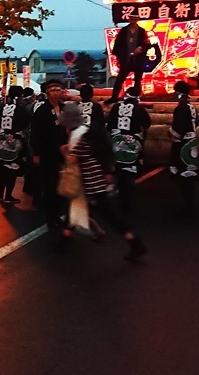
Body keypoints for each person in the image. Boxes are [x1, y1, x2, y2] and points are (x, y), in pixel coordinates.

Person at [63, 102, 147, 260]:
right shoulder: (97, 139)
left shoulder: (82, 141)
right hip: (98, 180)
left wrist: (65, 151)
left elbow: (73, 160)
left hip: (88, 182)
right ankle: (65, 238)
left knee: (100, 212)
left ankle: (134, 241)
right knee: (88, 210)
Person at [30, 80, 70, 238]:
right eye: (52, 90)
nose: (55, 92)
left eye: (58, 90)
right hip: (47, 153)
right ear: (47, 93)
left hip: (63, 153)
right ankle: (50, 218)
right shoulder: (42, 111)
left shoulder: (66, 109)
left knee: (63, 187)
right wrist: (36, 153)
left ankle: (56, 214)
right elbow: (35, 133)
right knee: (50, 187)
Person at [107, 86, 151, 211]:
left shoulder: (116, 107)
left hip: (117, 141)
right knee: (131, 171)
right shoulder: (139, 108)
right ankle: (128, 201)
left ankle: (121, 200)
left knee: (119, 170)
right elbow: (147, 124)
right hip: (133, 142)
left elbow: (109, 124)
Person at [107, 22, 162, 104]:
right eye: (132, 18)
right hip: (126, 59)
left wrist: (141, 48)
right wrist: (120, 57)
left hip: (138, 59)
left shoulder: (141, 31)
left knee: (137, 80)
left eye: (135, 18)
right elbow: (118, 44)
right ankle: (114, 97)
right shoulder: (124, 30)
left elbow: (146, 43)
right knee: (120, 78)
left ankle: (136, 97)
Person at [0, 86, 30, 204]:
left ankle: (0, 194)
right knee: (12, 168)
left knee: (3, 168)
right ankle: (8, 195)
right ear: (20, 96)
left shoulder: (2, 107)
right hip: (15, 140)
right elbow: (26, 122)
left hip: (2, 140)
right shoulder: (21, 109)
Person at [168, 81, 199, 213]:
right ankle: (188, 204)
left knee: (182, 176)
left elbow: (178, 129)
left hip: (182, 144)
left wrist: (170, 132)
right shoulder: (192, 107)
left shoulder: (181, 107)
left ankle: (187, 207)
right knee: (188, 176)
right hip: (192, 142)